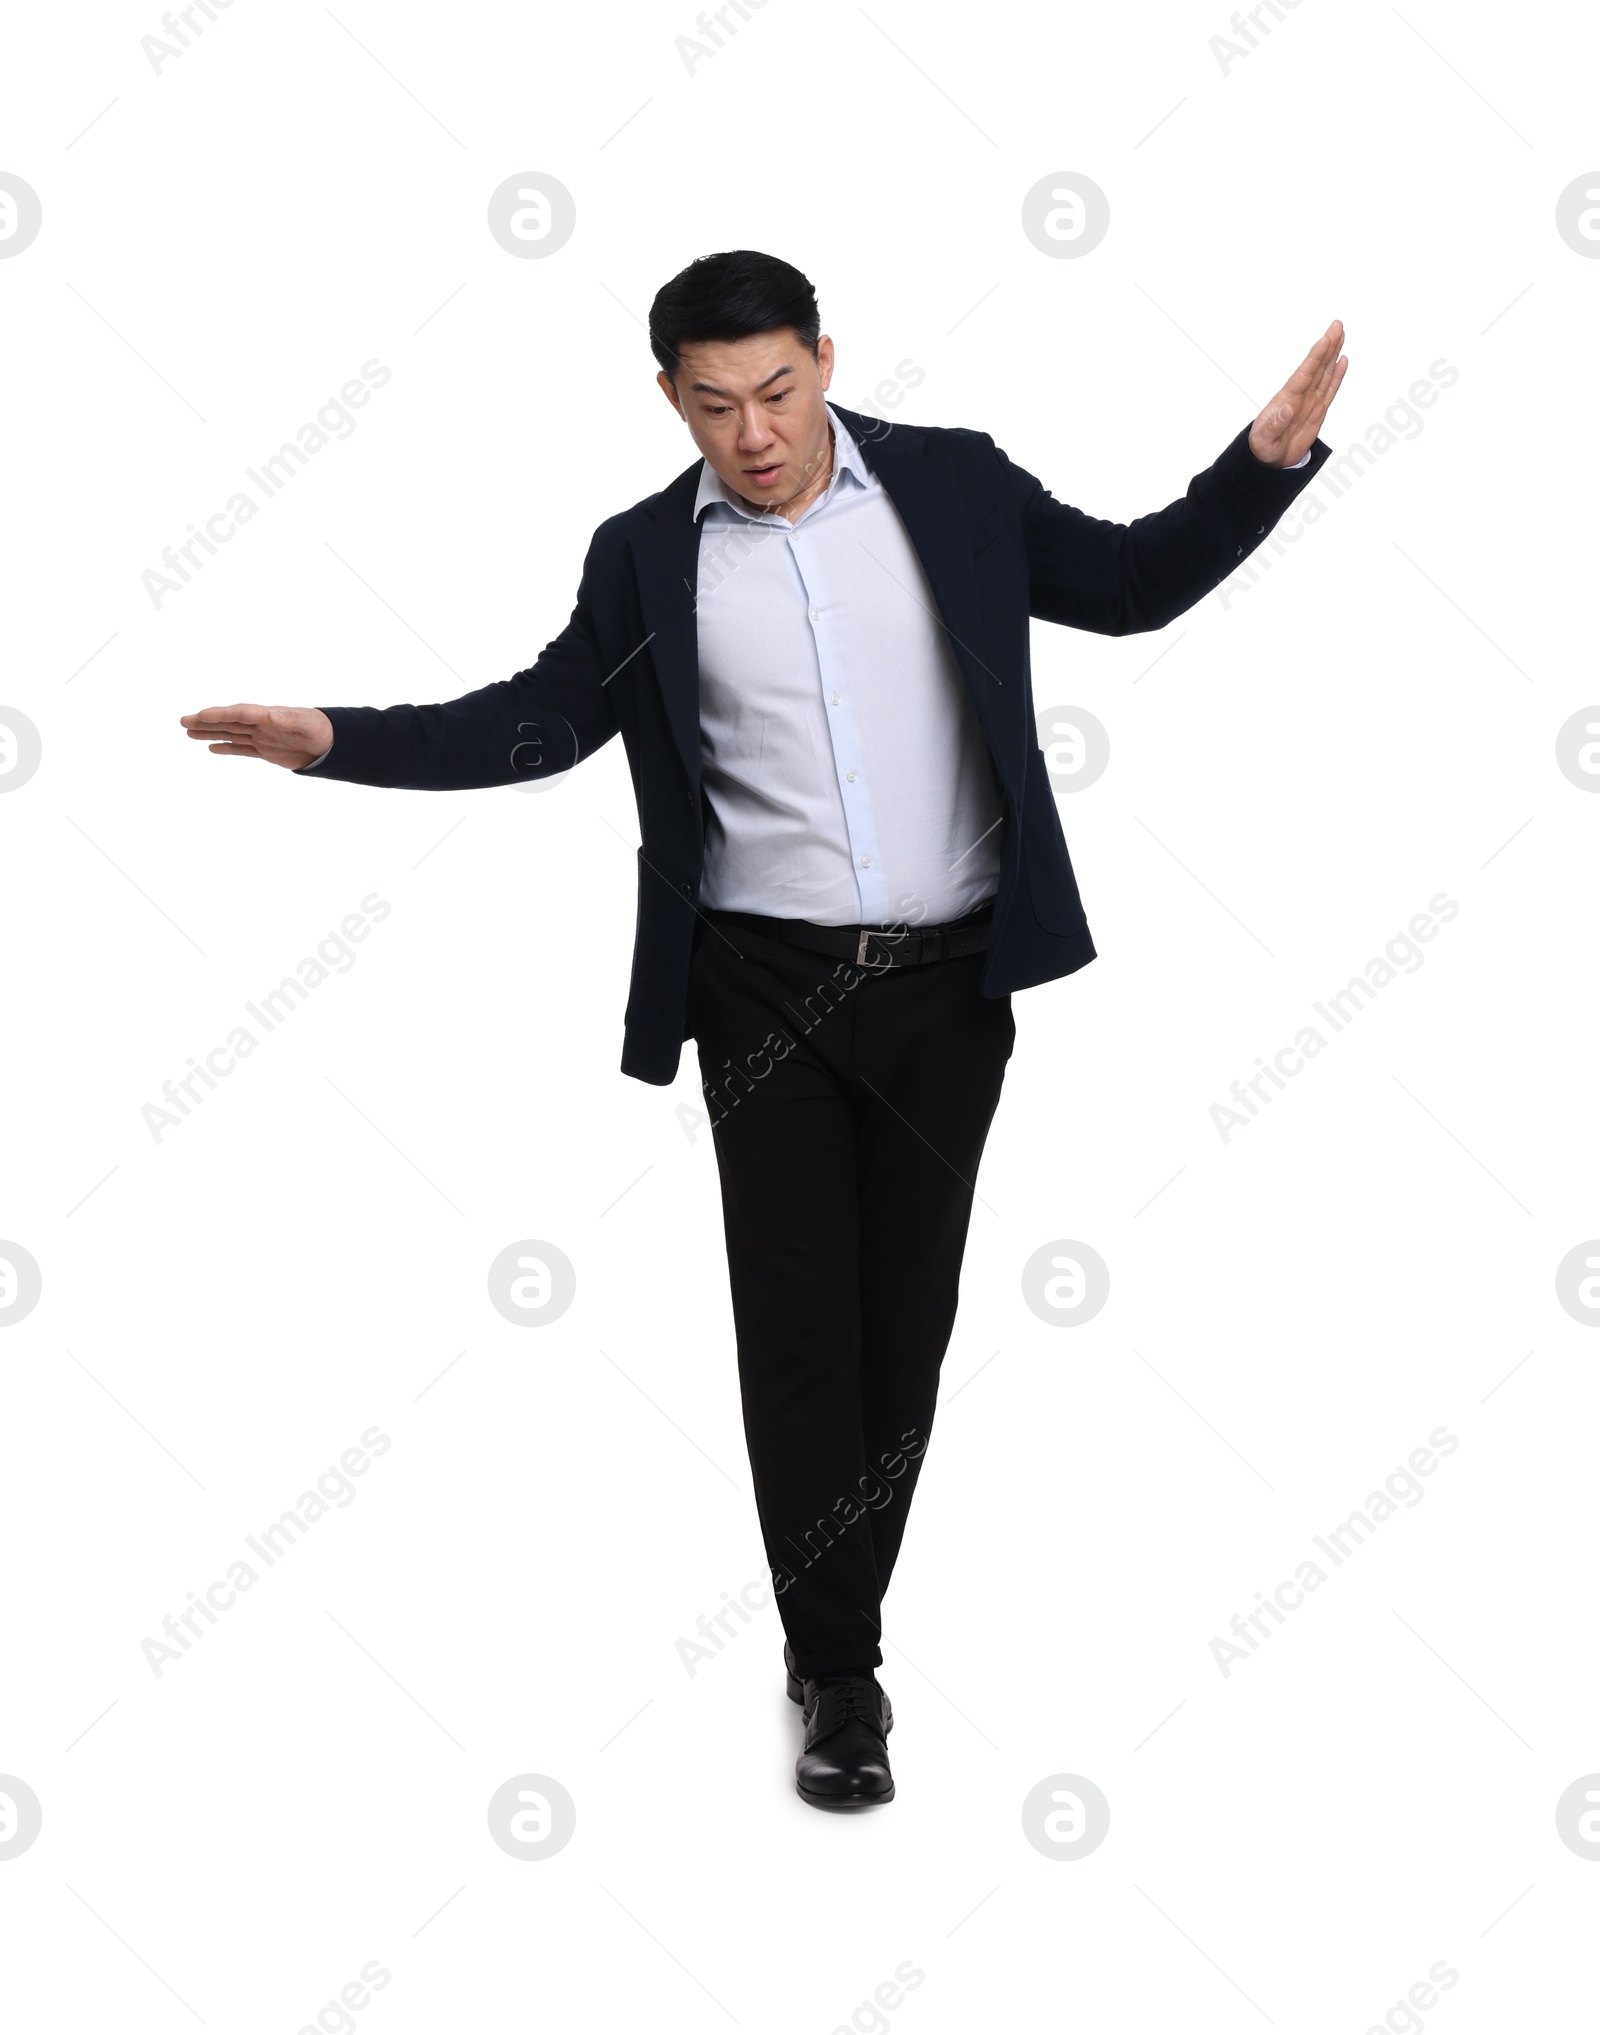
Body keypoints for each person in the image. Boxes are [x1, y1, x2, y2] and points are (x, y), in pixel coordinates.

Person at [182, 249, 1347, 1810]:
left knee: (902, 1333)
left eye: (781, 392)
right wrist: (338, 742)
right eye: (716, 406)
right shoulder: (648, 555)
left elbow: (1130, 588)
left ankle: (838, 1617)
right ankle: (839, 1667)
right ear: (671, 400)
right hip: (764, 994)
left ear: (827, 362)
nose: (755, 434)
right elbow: (540, 719)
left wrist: (1262, 465)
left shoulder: (954, 486)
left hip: (947, 987)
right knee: (799, 1337)